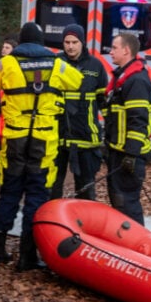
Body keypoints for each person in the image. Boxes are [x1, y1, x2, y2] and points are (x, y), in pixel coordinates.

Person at [0, 22, 82, 270]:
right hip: (43, 142)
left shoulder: (6, 62)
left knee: (9, 192)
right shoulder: (57, 64)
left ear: (21, 41)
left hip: (15, 140)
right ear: (40, 42)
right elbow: (77, 81)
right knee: (36, 197)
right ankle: (27, 256)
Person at [50, 24, 108, 201]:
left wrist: (109, 129)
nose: (70, 46)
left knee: (86, 188)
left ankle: (84, 224)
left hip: (85, 137)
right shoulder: (55, 63)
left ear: (82, 42)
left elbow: (103, 102)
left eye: (74, 42)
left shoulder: (96, 66)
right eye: (66, 42)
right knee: (52, 186)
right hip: (57, 136)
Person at [102, 32, 151, 225]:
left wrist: (131, 155)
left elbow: (137, 121)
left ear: (126, 50)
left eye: (114, 48)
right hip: (118, 152)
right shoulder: (122, 78)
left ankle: (135, 249)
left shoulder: (136, 81)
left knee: (127, 206)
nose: (111, 51)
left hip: (128, 155)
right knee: (119, 203)